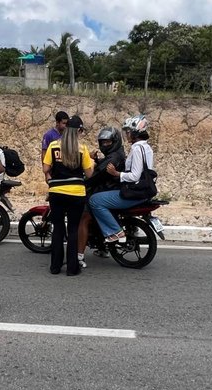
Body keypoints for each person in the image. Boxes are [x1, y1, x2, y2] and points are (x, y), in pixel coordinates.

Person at [89, 114, 154, 243]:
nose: (127, 135)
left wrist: (116, 174)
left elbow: (135, 175)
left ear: (136, 132)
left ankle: (115, 232)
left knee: (95, 201)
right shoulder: (146, 147)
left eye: (128, 132)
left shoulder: (136, 149)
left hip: (134, 192)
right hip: (145, 190)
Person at [42, 115, 94, 276]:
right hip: (76, 193)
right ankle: (72, 268)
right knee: (73, 229)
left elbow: (45, 169)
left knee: (57, 228)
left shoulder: (53, 146)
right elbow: (89, 173)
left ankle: (55, 267)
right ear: (78, 130)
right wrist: (92, 162)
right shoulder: (82, 148)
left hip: (56, 193)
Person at [77, 126, 126, 268]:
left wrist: (84, 182)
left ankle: (79, 255)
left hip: (107, 189)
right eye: (103, 142)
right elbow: (103, 170)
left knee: (85, 216)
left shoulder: (114, 157)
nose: (105, 145)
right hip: (110, 187)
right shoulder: (116, 154)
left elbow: (97, 175)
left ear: (115, 141)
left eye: (108, 142)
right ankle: (102, 246)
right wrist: (98, 161)